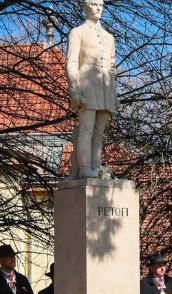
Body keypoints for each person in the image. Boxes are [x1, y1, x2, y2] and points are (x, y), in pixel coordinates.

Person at [65, 0, 119, 179]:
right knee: (86, 130)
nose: (98, 8)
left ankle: (96, 167)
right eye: (94, 4)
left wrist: (114, 92)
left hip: (106, 91)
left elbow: (112, 68)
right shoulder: (77, 33)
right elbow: (72, 62)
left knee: (99, 133)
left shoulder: (109, 37)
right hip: (87, 89)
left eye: (101, 5)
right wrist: (75, 89)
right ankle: (84, 168)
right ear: (85, 6)